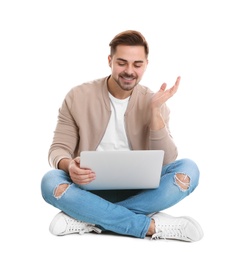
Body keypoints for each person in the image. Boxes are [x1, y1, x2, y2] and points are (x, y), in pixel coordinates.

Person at [41, 30, 204, 242]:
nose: (129, 71)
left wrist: (155, 112)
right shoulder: (77, 96)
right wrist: (68, 165)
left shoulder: (154, 101)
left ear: (146, 64)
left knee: (189, 170)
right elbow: (58, 149)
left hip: (141, 191)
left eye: (137, 64)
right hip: (89, 189)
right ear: (110, 61)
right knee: (50, 180)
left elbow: (167, 161)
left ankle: (87, 218)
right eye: (122, 63)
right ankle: (150, 226)